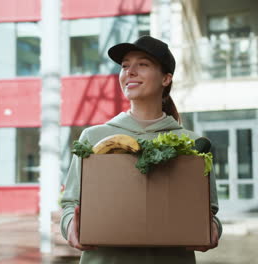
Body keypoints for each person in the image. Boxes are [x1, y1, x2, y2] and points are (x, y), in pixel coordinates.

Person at [60, 35, 222, 264]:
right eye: (125, 66)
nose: (130, 72)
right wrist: (70, 227)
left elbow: (209, 210)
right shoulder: (95, 137)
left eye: (143, 64)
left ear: (166, 78)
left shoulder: (193, 144)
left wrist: (212, 229)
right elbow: (70, 203)